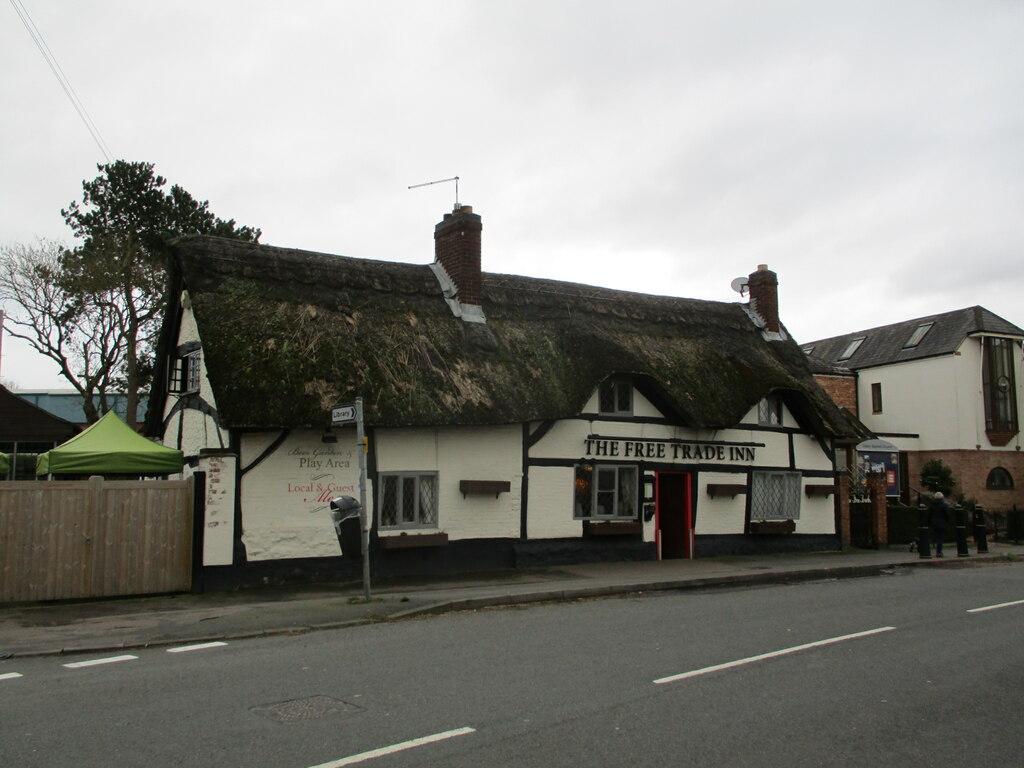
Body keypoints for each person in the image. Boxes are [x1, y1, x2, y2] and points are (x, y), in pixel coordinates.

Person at [927, 492, 950, 557]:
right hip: (942, 522)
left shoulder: (932, 505)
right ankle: (939, 552)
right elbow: (947, 515)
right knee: (940, 537)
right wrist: (947, 521)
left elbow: (929, 515)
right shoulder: (944, 505)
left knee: (936, 536)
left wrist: (928, 523)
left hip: (934, 522)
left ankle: (933, 549)